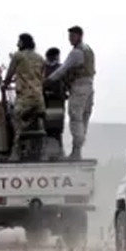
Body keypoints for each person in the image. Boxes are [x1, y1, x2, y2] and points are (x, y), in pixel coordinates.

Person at [46, 25, 95, 160]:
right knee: (84, 118)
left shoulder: (76, 53)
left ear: (80, 36)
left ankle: (76, 151)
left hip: (79, 86)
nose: (70, 39)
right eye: (69, 36)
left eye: (72, 36)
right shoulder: (88, 50)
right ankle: (78, 150)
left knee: (76, 117)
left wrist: (48, 81)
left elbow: (62, 70)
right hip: (89, 87)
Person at [5, 33, 48, 160]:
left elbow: (9, 74)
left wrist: (5, 84)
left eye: (19, 42)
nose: (17, 44)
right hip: (39, 99)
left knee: (15, 119)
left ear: (23, 43)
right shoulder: (40, 58)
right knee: (40, 121)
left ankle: (15, 151)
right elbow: (42, 77)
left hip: (24, 98)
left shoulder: (18, 56)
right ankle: (43, 150)